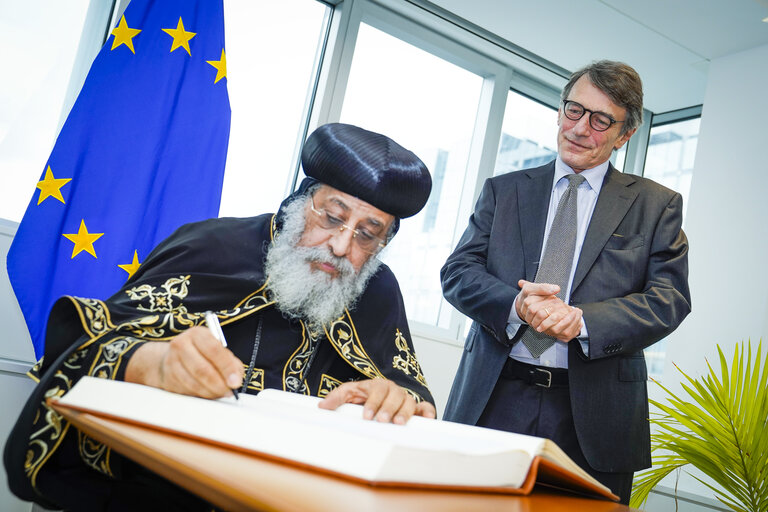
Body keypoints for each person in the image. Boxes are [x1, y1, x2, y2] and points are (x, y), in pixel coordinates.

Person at [4, 123, 436, 511]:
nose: (341, 247)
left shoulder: (377, 288)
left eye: (367, 234)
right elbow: (91, 346)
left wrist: (401, 401)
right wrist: (154, 365)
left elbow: (411, 392)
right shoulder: (209, 246)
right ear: (302, 202)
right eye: (333, 216)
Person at [440, 60, 691, 504]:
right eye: (574, 110)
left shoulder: (656, 205)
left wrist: (583, 321)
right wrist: (515, 306)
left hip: (594, 414)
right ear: (560, 111)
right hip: (494, 396)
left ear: (625, 134)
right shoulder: (505, 190)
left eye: (600, 121)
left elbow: (668, 299)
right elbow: (458, 272)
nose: (579, 128)